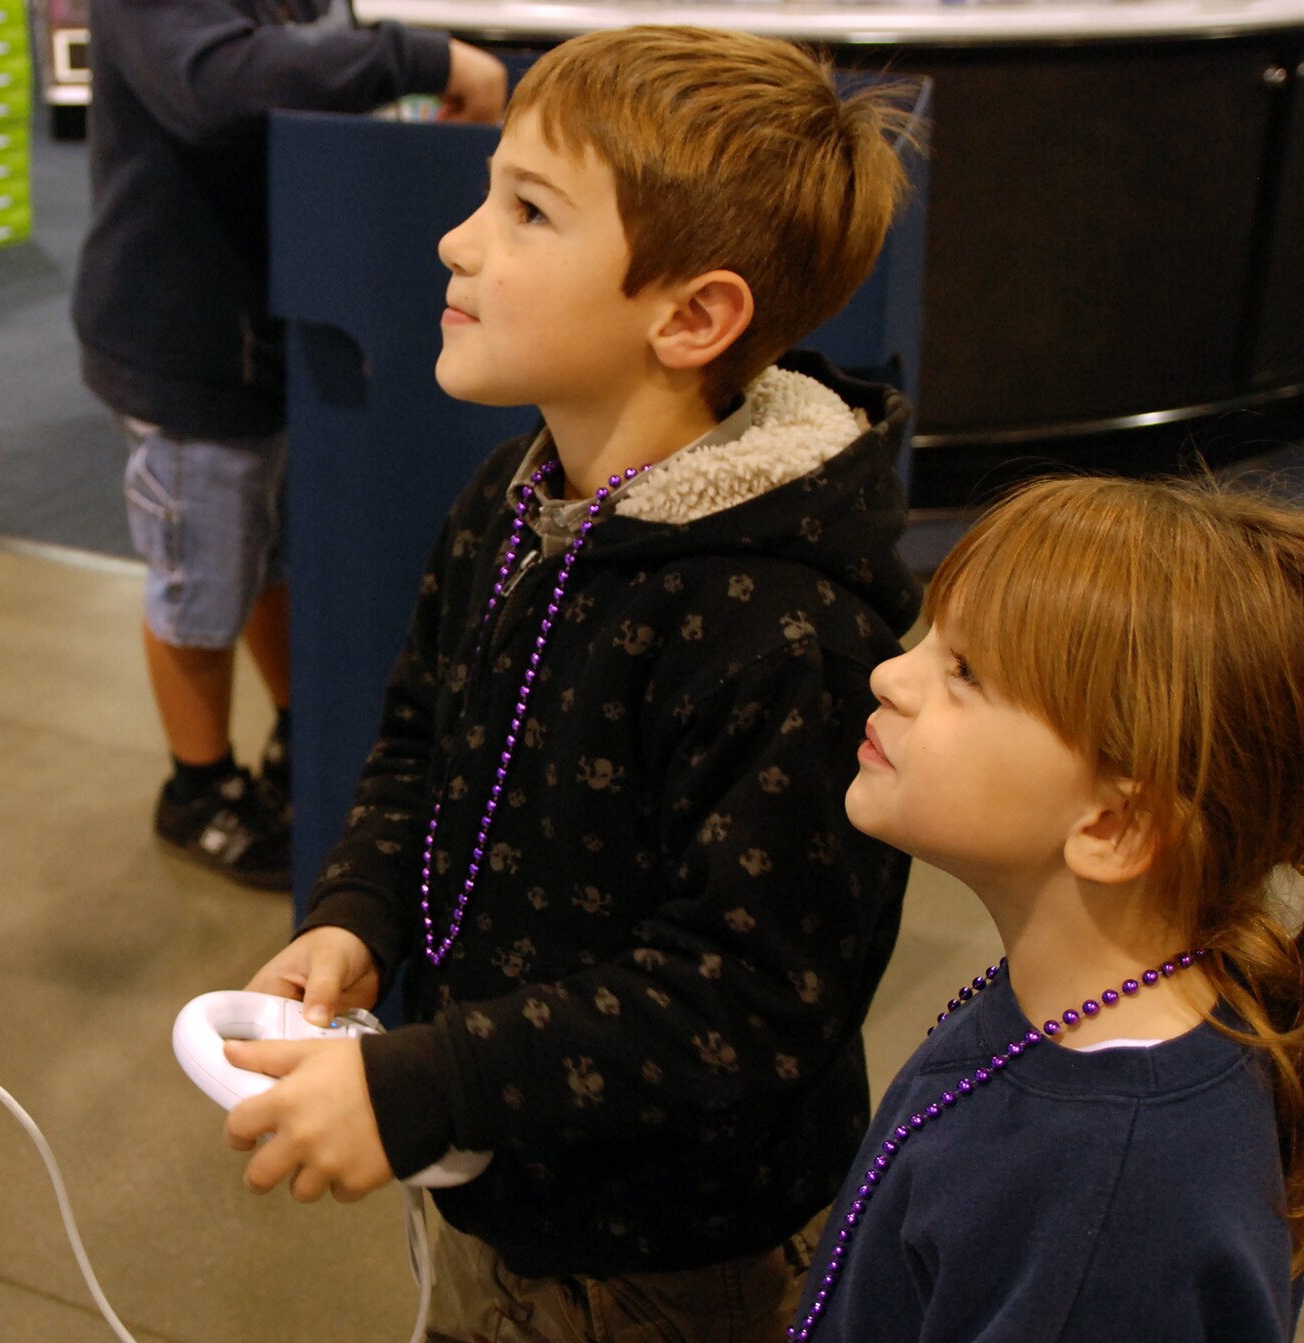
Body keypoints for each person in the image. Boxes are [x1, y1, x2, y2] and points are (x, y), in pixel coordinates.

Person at [219, 26, 925, 1341]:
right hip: (504, 1176)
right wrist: (360, 910)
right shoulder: (515, 495)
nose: (459, 242)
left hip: (678, 1261)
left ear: (694, 314)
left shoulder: (788, 626)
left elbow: (746, 994)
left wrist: (433, 1080)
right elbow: (420, 741)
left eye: (528, 211)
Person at [787, 475, 1304, 1341]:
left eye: (965, 671)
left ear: (1114, 823)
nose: (888, 674)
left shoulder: (1114, 1202)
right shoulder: (1067, 1008)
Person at [73, 0, 509, 890]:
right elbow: (216, 85)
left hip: (275, 336)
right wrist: (425, 58)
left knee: (271, 553)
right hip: (188, 350)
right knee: (201, 582)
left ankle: (295, 733)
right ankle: (199, 790)